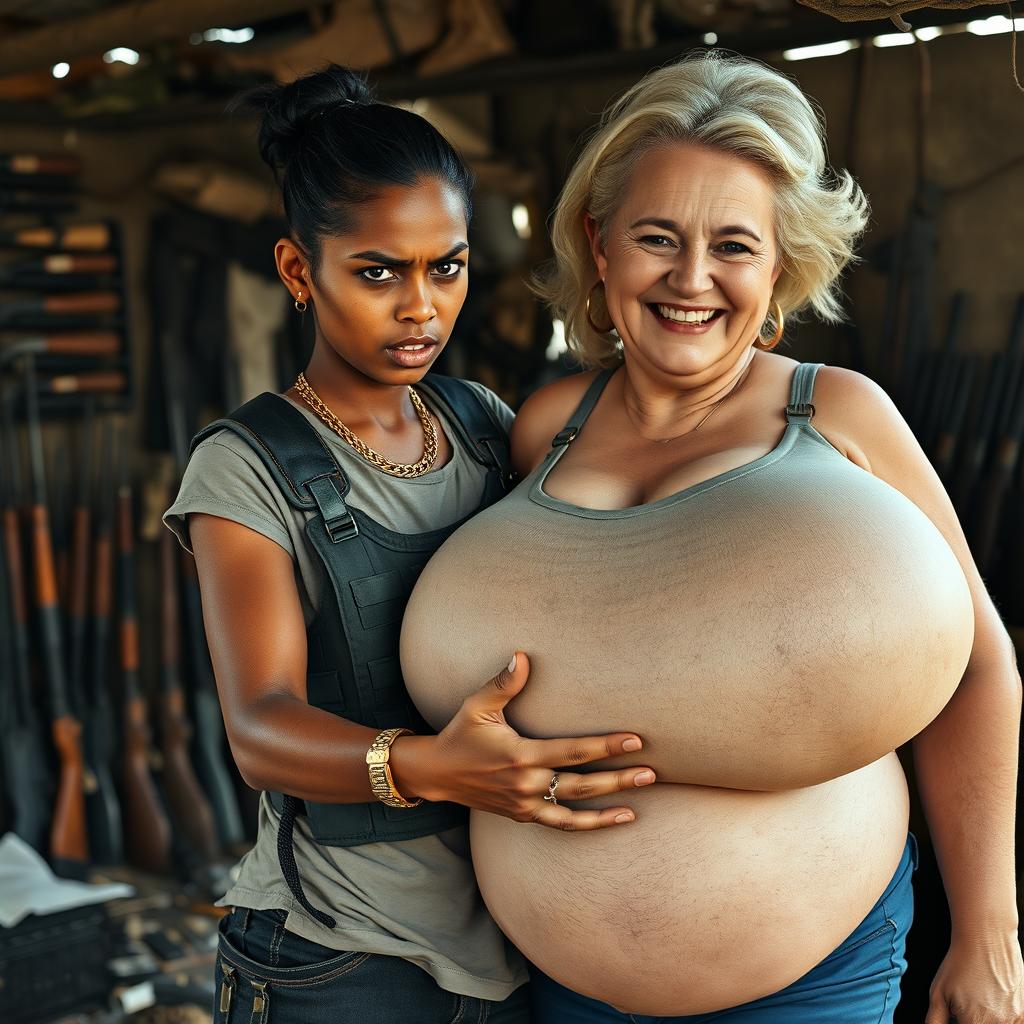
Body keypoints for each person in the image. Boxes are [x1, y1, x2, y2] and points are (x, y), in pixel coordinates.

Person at [399, 52, 1023, 1023]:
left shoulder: (842, 415)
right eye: (657, 236)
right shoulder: (543, 427)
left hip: (807, 985)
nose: (691, 278)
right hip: (562, 988)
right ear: (599, 245)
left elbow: (980, 667)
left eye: (734, 245)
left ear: (780, 263)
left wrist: (988, 937)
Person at [163, 65, 658, 1024]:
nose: (422, 307)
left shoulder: (482, 426)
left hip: (519, 944)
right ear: (299, 271)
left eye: (449, 266)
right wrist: (430, 766)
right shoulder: (244, 467)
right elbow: (260, 727)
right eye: (379, 272)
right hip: (345, 959)